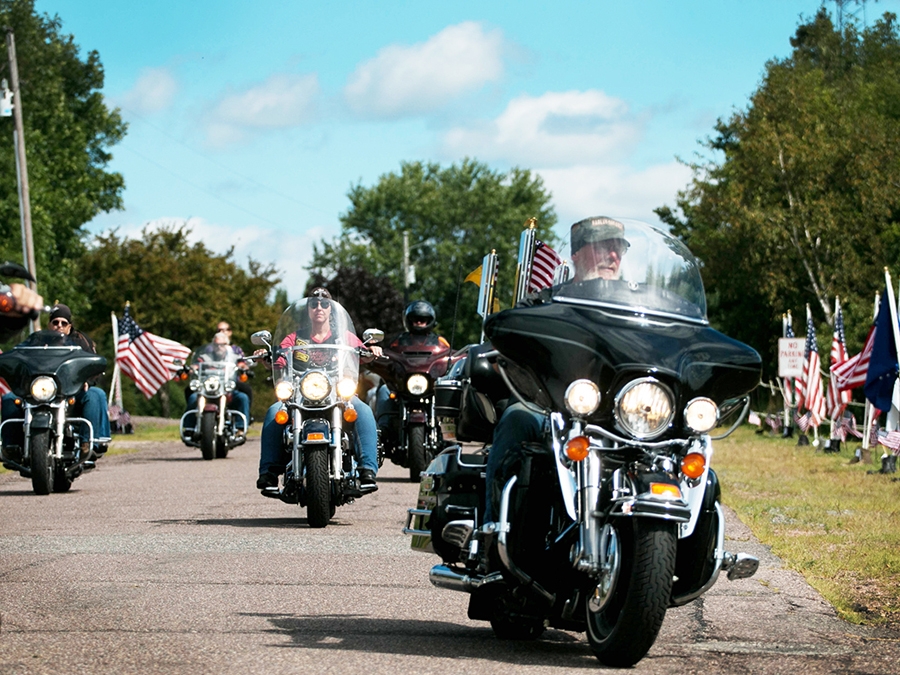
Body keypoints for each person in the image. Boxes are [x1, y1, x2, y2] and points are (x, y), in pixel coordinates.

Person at [483, 216, 629, 522]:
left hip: (621, 412)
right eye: (603, 246)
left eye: (618, 248)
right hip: (550, 406)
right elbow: (509, 341)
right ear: (576, 254)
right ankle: (492, 533)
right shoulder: (543, 305)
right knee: (517, 420)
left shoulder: (637, 307)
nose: (612, 255)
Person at [255, 288, 383, 493]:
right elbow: (277, 360)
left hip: (339, 393)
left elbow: (364, 353)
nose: (319, 308)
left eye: (325, 304)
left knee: (363, 410)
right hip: (301, 394)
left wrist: (372, 351)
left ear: (331, 310)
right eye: (314, 304)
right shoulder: (295, 338)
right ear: (308, 310)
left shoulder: (345, 337)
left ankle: (367, 470)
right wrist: (265, 355)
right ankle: (268, 472)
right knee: (274, 412)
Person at [1, 303, 110, 462]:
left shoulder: (80, 341)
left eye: (63, 323)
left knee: (95, 394)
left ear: (69, 326)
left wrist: (87, 380)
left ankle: (89, 442)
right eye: (55, 322)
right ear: (49, 324)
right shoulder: (35, 341)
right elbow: (18, 355)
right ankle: (10, 446)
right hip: (39, 390)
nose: (59, 326)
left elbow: (93, 365)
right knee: (9, 398)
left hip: (71, 391)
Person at [374, 300, 450, 434]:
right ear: (408, 321)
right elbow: (386, 354)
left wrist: (457, 358)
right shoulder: (398, 340)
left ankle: (449, 425)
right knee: (384, 390)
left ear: (430, 320)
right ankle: (382, 428)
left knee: (447, 388)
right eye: (415, 319)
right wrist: (377, 356)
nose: (419, 322)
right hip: (403, 386)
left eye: (423, 319)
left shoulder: (440, 341)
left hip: (429, 385)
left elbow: (450, 355)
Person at [184, 331, 251, 434]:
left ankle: (240, 428)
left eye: (222, 345)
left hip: (227, 388)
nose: (219, 347)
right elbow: (196, 365)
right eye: (216, 345)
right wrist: (191, 369)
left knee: (243, 398)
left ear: (227, 345)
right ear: (213, 345)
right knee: (193, 398)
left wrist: (243, 368)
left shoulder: (233, 357)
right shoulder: (206, 357)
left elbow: (242, 364)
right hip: (208, 389)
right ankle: (189, 428)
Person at [216, 320, 253, 409]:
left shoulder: (236, 349)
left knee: (245, 394)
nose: (222, 332)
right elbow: (200, 362)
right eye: (219, 330)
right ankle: (188, 422)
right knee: (191, 394)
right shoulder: (209, 349)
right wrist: (193, 367)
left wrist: (242, 367)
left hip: (231, 383)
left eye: (225, 330)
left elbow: (242, 362)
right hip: (212, 382)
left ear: (230, 332)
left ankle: (243, 421)